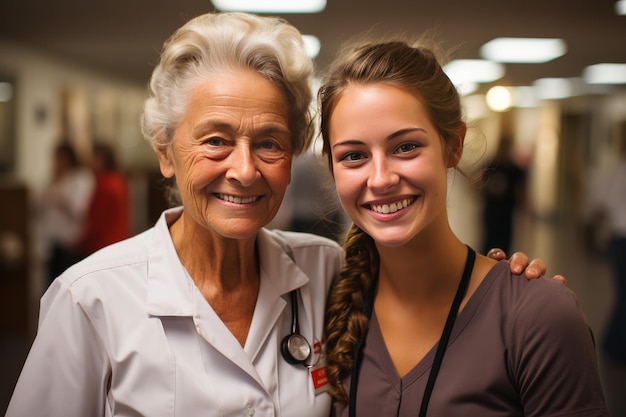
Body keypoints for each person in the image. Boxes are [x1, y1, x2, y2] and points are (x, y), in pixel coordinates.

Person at [7, 12, 552, 417]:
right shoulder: (91, 299)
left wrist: (510, 288)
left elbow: (438, 300)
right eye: (216, 140)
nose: (244, 170)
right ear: (165, 152)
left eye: (269, 142)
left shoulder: (324, 272)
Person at [319, 38, 607, 416]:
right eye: (353, 156)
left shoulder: (538, 317)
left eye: (405, 147)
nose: (380, 178)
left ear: (454, 146)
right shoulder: (326, 305)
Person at [35, 142, 94, 286]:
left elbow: (81, 210)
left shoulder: (81, 178)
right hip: (52, 241)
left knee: (69, 284)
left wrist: (62, 201)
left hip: (71, 241)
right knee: (51, 284)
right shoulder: (53, 179)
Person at [75, 142, 131, 257]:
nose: (90, 162)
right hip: (120, 242)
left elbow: (97, 222)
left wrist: (81, 242)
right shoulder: (118, 180)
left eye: (94, 158)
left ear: (103, 160)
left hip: (104, 245)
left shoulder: (105, 185)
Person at [481, 134, 527, 255]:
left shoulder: (508, 167)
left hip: (502, 209)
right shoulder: (493, 165)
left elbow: (520, 189)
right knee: (495, 239)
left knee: (497, 239)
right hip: (496, 209)